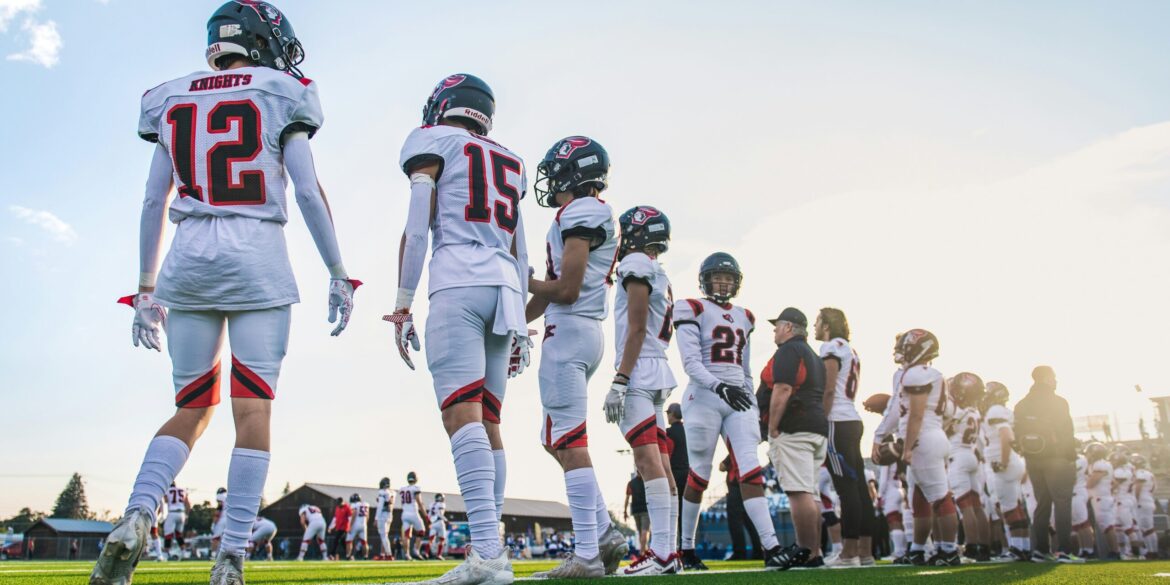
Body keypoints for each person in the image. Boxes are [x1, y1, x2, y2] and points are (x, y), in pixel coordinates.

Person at [90, 3, 357, 584]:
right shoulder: (284, 91)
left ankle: (137, 513)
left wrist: (144, 288)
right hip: (257, 257)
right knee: (252, 407)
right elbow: (307, 191)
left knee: (192, 406)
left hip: (188, 261)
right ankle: (232, 553)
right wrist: (337, 270)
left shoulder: (169, 96)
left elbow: (153, 199)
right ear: (263, 40)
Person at [386, 73, 526, 585]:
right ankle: (494, 550)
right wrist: (521, 321)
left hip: (458, 280)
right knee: (489, 421)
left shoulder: (431, 141)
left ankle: (487, 553)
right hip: (504, 288)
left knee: (461, 414)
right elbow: (520, 249)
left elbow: (417, 228)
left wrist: (402, 304)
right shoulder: (511, 160)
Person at [525, 137, 627, 578]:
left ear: (574, 171)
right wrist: (516, 322)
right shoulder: (583, 213)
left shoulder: (582, 210)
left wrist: (522, 280)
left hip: (570, 331)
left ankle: (587, 554)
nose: (551, 180)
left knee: (569, 440)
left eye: (556, 170)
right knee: (554, 439)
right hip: (577, 331)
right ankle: (603, 532)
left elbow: (565, 290)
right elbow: (557, 287)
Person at [672, 253, 780, 571]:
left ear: (737, 283)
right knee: (700, 474)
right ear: (705, 280)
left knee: (750, 468)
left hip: (737, 399)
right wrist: (720, 387)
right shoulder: (691, 307)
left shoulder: (746, 316)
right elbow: (691, 363)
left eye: (728, 278)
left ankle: (772, 546)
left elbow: (745, 370)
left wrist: (752, 404)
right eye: (717, 277)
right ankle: (686, 548)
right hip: (703, 398)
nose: (722, 283)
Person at [604, 205, 679, 576]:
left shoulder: (635, 264)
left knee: (647, 462)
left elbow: (636, 328)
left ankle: (662, 554)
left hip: (639, 371)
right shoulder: (658, 269)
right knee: (661, 464)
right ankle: (669, 551)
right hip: (656, 367)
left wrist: (621, 379)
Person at [764, 307, 829, 570]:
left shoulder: (789, 350)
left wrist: (773, 426)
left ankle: (806, 552)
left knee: (798, 492)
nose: (774, 331)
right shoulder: (813, 354)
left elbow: (783, 388)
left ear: (789, 327)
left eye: (777, 325)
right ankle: (815, 551)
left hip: (795, 428)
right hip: (815, 427)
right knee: (810, 493)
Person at [892, 329, 960, 566]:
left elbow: (916, 415)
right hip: (934, 435)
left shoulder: (918, 374)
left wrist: (907, 447)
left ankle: (949, 550)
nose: (903, 351)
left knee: (940, 498)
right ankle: (918, 549)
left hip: (924, 439)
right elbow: (950, 413)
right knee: (919, 499)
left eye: (907, 346)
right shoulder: (935, 376)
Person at [814, 308, 874, 567]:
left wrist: (820, 420)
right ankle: (865, 552)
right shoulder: (850, 349)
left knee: (846, 488)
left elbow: (828, 389)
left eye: (818, 322)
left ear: (827, 325)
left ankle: (849, 553)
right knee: (858, 488)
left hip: (836, 421)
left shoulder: (831, 347)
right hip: (851, 418)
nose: (815, 326)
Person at [1013, 365, 1081, 563]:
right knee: (1062, 502)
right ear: (1046, 377)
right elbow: (1067, 431)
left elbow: (1016, 431)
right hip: (1057, 458)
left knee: (1042, 504)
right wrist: (1070, 457)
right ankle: (1064, 550)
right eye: (1053, 377)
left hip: (1033, 458)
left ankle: (1040, 550)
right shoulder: (1057, 401)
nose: (1056, 380)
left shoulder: (1021, 404)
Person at [982, 382, 1031, 560]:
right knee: (1015, 507)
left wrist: (1003, 462)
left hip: (1005, 462)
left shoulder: (995, 410)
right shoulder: (1003, 411)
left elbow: (1007, 436)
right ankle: (1024, 548)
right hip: (1013, 461)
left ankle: (1017, 549)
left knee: (1008, 508)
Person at [945, 373, 991, 562]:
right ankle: (985, 548)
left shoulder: (956, 412)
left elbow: (944, 430)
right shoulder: (975, 412)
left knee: (965, 507)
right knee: (977, 506)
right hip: (971, 455)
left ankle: (972, 547)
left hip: (958, 457)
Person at [722, 456, 764, 561]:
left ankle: (739, 552)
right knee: (750, 523)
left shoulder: (734, 453)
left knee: (735, 524)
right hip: (746, 488)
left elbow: (721, 467)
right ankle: (758, 551)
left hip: (735, 489)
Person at [1085, 442, 1120, 559]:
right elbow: (1114, 483)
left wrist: (1083, 482)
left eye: (1089, 453)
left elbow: (1091, 483)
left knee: (1107, 525)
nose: (1087, 455)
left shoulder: (1099, 464)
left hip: (1101, 498)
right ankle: (1114, 551)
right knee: (1105, 525)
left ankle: (1115, 551)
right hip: (1102, 497)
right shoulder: (1104, 464)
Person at [666, 404, 688, 540]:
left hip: (673, 475)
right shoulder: (688, 430)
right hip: (689, 474)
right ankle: (686, 543)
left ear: (672, 414)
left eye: (668, 413)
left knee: (673, 511)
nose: (667, 416)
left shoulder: (668, 433)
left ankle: (673, 544)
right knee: (686, 511)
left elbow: (666, 455)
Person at [1071, 448, 1096, 559]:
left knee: (1083, 523)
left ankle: (1089, 549)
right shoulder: (1081, 459)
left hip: (1077, 492)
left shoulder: (1079, 459)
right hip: (1076, 492)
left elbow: (1072, 478)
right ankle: (1083, 549)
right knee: (1077, 524)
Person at [398, 471, 428, 560]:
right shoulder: (415, 488)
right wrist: (426, 516)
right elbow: (419, 502)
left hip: (404, 514)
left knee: (406, 535)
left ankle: (407, 554)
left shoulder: (402, 489)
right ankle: (416, 550)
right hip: (413, 513)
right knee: (421, 532)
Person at [1133, 454, 1158, 558]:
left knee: (1143, 528)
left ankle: (1149, 551)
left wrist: (1136, 500)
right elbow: (1153, 489)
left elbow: (1138, 488)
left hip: (1142, 502)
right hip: (1148, 500)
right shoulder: (1149, 474)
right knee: (1149, 528)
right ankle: (1153, 551)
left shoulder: (1140, 473)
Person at [624, 473, 650, 555]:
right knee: (645, 531)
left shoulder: (631, 483)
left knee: (640, 532)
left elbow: (627, 498)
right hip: (645, 509)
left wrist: (625, 511)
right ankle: (642, 552)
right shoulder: (647, 481)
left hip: (635, 510)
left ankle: (644, 550)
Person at [162, 483, 190, 557]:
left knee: (168, 534)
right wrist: (186, 516)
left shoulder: (168, 490)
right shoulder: (183, 490)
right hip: (181, 513)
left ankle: (165, 554)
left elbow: (165, 501)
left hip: (172, 512)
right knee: (179, 535)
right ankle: (184, 552)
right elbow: (188, 504)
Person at [375, 477, 395, 560]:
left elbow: (380, 506)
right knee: (385, 536)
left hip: (383, 515)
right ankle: (383, 554)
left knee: (383, 536)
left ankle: (389, 554)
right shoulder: (392, 492)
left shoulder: (382, 492)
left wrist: (376, 518)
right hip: (389, 515)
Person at [346, 493, 370, 560]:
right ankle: (366, 556)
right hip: (363, 525)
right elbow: (368, 516)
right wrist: (365, 524)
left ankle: (348, 556)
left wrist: (350, 526)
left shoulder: (354, 505)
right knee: (364, 542)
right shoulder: (366, 504)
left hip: (355, 524)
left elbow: (354, 514)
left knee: (349, 541)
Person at [428, 493, 449, 560]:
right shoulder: (442, 504)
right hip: (439, 522)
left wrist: (429, 522)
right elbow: (440, 514)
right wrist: (446, 520)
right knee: (442, 539)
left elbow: (429, 515)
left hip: (432, 522)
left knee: (431, 539)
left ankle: (426, 553)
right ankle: (439, 555)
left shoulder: (432, 504)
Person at [211, 487, 228, 556]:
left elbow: (219, 509)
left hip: (222, 519)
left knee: (216, 537)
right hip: (231, 519)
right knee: (227, 539)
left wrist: (214, 522)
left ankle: (213, 555)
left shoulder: (220, 496)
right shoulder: (230, 496)